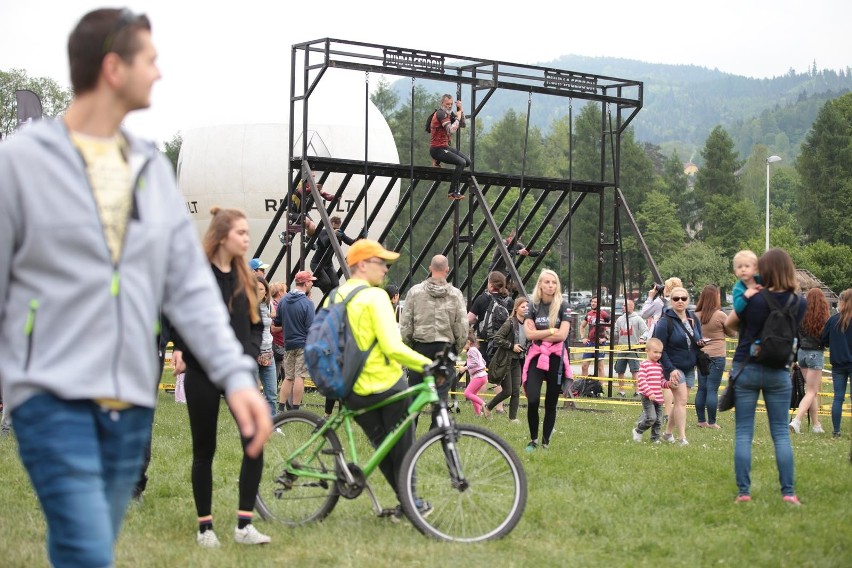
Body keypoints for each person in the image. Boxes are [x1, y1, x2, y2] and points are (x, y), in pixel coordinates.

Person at [0, 10, 270, 566]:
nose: (160, 73)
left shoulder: (148, 167)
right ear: (113, 68)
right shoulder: (22, 163)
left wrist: (238, 376)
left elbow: (191, 289)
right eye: (150, 60)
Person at [171, 208, 271, 547]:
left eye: (247, 232)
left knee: (255, 443)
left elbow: (257, 325)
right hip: (202, 373)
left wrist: (248, 353)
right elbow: (179, 316)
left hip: (238, 376)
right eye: (241, 233)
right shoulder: (197, 275)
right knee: (205, 450)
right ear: (222, 236)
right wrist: (181, 348)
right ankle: (205, 528)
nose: (246, 238)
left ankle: (244, 524)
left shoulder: (246, 277)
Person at [330, 240, 433, 519]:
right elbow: (392, 347)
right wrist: (429, 364)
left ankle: (408, 504)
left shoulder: (338, 295)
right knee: (403, 448)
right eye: (381, 263)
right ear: (362, 265)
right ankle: (412, 504)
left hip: (351, 388)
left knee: (383, 448)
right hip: (385, 385)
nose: (386, 269)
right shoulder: (376, 297)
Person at [730, 248, 806, 504]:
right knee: (781, 434)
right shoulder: (799, 302)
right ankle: (788, 492)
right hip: (779, 371)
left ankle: (744, 492)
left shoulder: (754, 299)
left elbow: (731, 322)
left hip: (747, 366)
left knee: (743, 432)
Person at [400, 255, 468, 427]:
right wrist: (456, 348)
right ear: (447, 269)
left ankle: (409, 432)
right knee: (441, 395)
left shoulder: (415, 292)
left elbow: (406, 324)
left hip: (420, 348)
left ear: (430, 268)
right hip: (445, 349)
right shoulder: (455, 294)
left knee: (415, 393)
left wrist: (409, 346)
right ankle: (433, 434)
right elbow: (461, 326)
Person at [522, 269, 572, 451]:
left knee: (551, 403)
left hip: (556, 357)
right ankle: (533, 439)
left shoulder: (564, 306)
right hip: (536, 356)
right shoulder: (532, 306)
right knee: (533, 399)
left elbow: (563, 334)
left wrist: (541, 334)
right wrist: (551, 331)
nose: (551, 285)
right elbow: (529, 334)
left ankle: (544, 442)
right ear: (540, 285)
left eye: (554, 282)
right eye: (547, 282)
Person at [653, 286, 705, 446]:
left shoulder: (693, 318)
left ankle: (668, 433)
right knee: (681, 401)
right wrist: (670, 369)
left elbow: (698, 338)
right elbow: (660, 349)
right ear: (671, 301)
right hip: (673, 367)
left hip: (690, 366)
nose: (680, 301)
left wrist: (700, 343)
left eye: (683, 298)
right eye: (676, 299)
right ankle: (682, 438)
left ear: (688, 300)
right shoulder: (664, 322)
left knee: (680, 401)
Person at [467, 271, 513, 412]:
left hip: (483, 343)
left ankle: (479, 405)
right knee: (497, 375)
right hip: (500, 343)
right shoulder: (508, 300)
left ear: (490, 284)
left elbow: (468, 319)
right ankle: (499, 407)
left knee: (479, 374)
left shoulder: (482, 299)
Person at [274, 270, 317, 412]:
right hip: (303, 344)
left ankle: (281, 407)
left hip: (288, 344)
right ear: (305, 283)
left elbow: (278, 321)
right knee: (300, 377)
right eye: (310, 281)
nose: (312, 283)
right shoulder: (307, 303)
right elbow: (311, 328)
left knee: (288, 377)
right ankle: (295, 409)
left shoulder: (284, 300)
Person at [640, 276, 682, 420]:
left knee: (652, 375)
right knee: (666, 377)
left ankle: (650, 409)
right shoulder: (680, 301)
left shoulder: (660, 302)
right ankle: (668, 413)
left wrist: (650, 297)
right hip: (674, 342)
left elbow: (644, 314)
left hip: (658, 341)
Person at [694, 284, 735, 429]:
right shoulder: (720, 315)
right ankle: (712, 422)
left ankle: (701, 420)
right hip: (717, 355)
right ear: (715, 297)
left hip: (701, 355)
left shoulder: (695, 315)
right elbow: (732, 333)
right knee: (712, 389)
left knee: (702, 388)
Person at [790, 287, 830, 434]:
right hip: (815, 354)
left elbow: (796, 337)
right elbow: (826, 340)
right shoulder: (824, 318)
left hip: (801, 354)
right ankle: (797, 420)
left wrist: (794, 358)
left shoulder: (800, 316)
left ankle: (816, 425)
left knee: (810, 391)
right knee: (812, 390)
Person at [485, 297, 529, 423]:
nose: (525, 309)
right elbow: (497, 338)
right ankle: (488, 407)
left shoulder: (528, 324)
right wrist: (511, 346)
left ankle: (512, 418)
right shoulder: (509, 323)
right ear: (516, 308)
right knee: (507, 391)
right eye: (522, 306)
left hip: (518, 361)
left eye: (527, 306)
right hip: (505, 361)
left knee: (516, 391)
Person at [821, 288, 852, 439]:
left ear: (842, 302)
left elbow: (824, 340)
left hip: (838, 364)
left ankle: (836, 431)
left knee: (838, 398)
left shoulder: (833, 320)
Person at [428, 94, 470, 200]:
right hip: (437, 149)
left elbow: (463, 124)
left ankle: (437, 161)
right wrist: (458, 117)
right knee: (461, 163)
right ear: (442, 103)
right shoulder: (441, 114)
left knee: (467, 162)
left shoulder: (448, 114)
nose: (450, 106)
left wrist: (460, 110)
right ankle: (452, 192)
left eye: (451, 104)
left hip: (444, 147)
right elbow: (451, 130)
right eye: (447, 104)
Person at [310, 216, 364, 295]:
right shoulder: (323, 232)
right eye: (334, 228)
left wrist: (361, 236)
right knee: (326, 283)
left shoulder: (339, 233)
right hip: (317, 263)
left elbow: (351, 242)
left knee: (335, 284)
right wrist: (333, 234)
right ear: (330, 225)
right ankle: (310, 282)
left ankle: (329, 297)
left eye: (337, 228)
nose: (336, 230)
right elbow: (325, 242)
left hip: (328, 265)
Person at [632, 338, 666, 443]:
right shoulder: (644, 365)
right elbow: (642, 380)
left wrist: (669, 384)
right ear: (647, 351)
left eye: (660, 352)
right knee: (651, 418)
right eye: (655, 352)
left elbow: (661, 381)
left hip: (658, 397)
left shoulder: (660, 366)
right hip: (647, 397)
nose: (658, 355)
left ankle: (655, 438)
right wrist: (649, 392)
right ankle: (638, 430)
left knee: (659, 420)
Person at [613, 299, 648, 397]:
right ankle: (621, 391)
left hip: (633, 348)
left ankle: (637, 391)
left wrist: (642, 338)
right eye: (623, 305)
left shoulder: (638, 319)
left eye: (625, 305)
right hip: (622, 348)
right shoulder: (620, 319)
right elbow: (615, 332)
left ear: (632, 306)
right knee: (620, 370)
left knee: (635, 370)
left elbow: (646, 331)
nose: (623, 307)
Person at [255, 276, 277, 416]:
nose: (259, 292)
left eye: (262, 289)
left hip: (268, 351)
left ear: (266, 291)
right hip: (253, 352)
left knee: (272, 393)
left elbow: (273, 316)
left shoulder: (268, 304)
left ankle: (274, 424)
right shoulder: (246, 305)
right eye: (255, 289)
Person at [725, 249, 761, 332]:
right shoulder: (738, 288)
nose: (743, 269)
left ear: (755, 269)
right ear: (735, 271)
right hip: (748, 323)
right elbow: (737, 308)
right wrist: (745, 296)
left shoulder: (760, 280)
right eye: (739, 267)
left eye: (747, 266)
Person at [580, 296, 611, 379]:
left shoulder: (604, 314)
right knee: (584, 366)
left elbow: (612, 326)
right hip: (589, 343)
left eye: (595, 302)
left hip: (600, 344)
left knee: (600, 367)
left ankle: (600, 389)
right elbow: (582, 326)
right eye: (592, 302)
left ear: (599, 304)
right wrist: (583, 338)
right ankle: (584, 386)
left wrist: (606, 338)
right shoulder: (589, 314)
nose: (593, 303)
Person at [462, 330, 489, 416]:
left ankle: (484, 405)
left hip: (479, 376)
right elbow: (483, 362)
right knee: (473, 394)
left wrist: (465, 368)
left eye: (463, 344)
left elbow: (476, 363)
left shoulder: (471, 351)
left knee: (467, 393)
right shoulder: (475, 350)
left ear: (468, 342)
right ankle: (478, 413)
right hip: (482, 375)